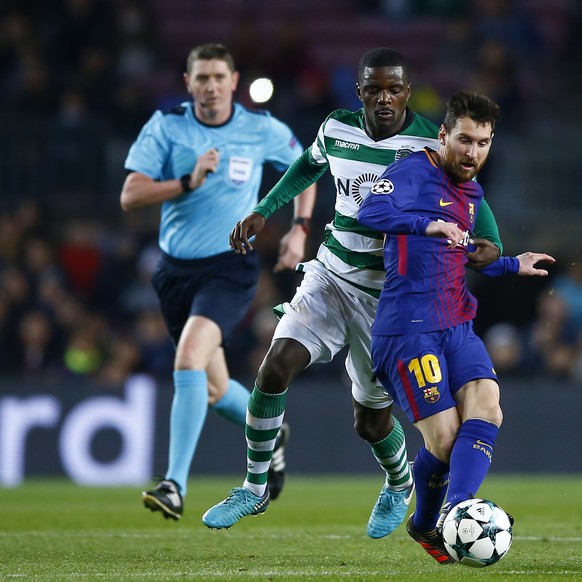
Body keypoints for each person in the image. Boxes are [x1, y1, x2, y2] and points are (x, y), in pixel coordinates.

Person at [201, 48, 506, 536]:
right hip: (331, 273)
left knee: (368, 421)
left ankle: (399, 481)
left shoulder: (432, 141)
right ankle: (254, 488)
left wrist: (487, 248)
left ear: (407, 92)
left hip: (389, 299)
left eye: (394, 89)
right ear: (359, 91)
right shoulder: (336, 128)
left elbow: (477, 217)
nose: (384, 98)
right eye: (373, 89)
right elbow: (306, 166)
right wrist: (266, 208)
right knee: (275, 365)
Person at [120, 43, 316, 520]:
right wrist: (186, 182)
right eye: (201, 78)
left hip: (230, 267)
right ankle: (276, 431)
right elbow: (130, 195)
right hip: (174, 273)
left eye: (218, 77)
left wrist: (299, 227)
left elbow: (309, 168)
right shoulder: (167, 125)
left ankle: (173, 485)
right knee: (210, 386)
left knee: (188, 356)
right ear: (188, 84)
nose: (210, 86)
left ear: (234, 81)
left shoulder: (259, 128)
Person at [357, 90, 554, 563]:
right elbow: (370, 211)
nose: (473, 153)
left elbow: (466, 255)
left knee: (489, 408)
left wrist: (510, 264)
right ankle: (436, 521)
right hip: (407, 331)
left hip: (457, 325)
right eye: (465, 140)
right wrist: (426, 226)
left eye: (484, 143)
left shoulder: (471, 192)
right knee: (445, 440)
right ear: (444, 135)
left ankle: (449, 514)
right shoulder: (412, 171)